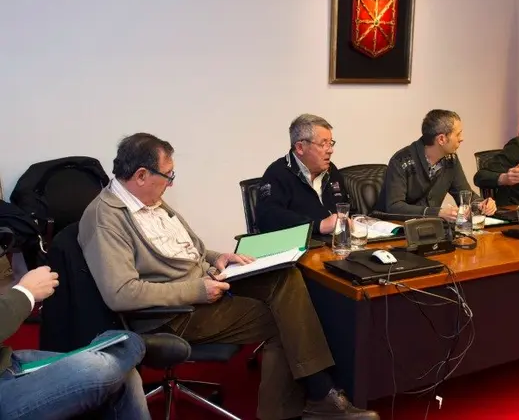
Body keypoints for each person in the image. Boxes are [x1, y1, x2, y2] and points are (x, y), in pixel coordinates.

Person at [78, 133, 378, 420]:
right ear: (142, 175)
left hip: (208, 281)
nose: (170, 184)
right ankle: (306, 402)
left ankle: (318, 395)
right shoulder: (106, 217)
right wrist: (198, 289)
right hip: (175, 312)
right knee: (286, 320)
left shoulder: (147, 200)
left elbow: (186, 248)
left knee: (285, 277)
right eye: (168, 175)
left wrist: (216, 257)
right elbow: (121, 293)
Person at [0, 265, 151, 419]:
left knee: (125, 375)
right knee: (101, 366)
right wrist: (25, 293)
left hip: (6, 362)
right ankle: (136, 343)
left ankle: (126, 344)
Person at [375, 109, 497, 221]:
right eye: (458, 134)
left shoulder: (450, 159)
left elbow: (464, 194)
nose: (462, 138)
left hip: (430, 227)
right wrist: (438, 212)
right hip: (396, 228)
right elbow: (395, 207)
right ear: (441, 139)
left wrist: (481, 204)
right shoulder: (400, 161)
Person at [257, 114, 350, 235]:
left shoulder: (331, 171)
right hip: (303, 248)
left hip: (337, 246)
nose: (330, 150)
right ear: (300, 147)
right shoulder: (277, 173)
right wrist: (318, 225)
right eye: (323, 144)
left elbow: (347, 209)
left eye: (330, 143)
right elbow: (268, 219)